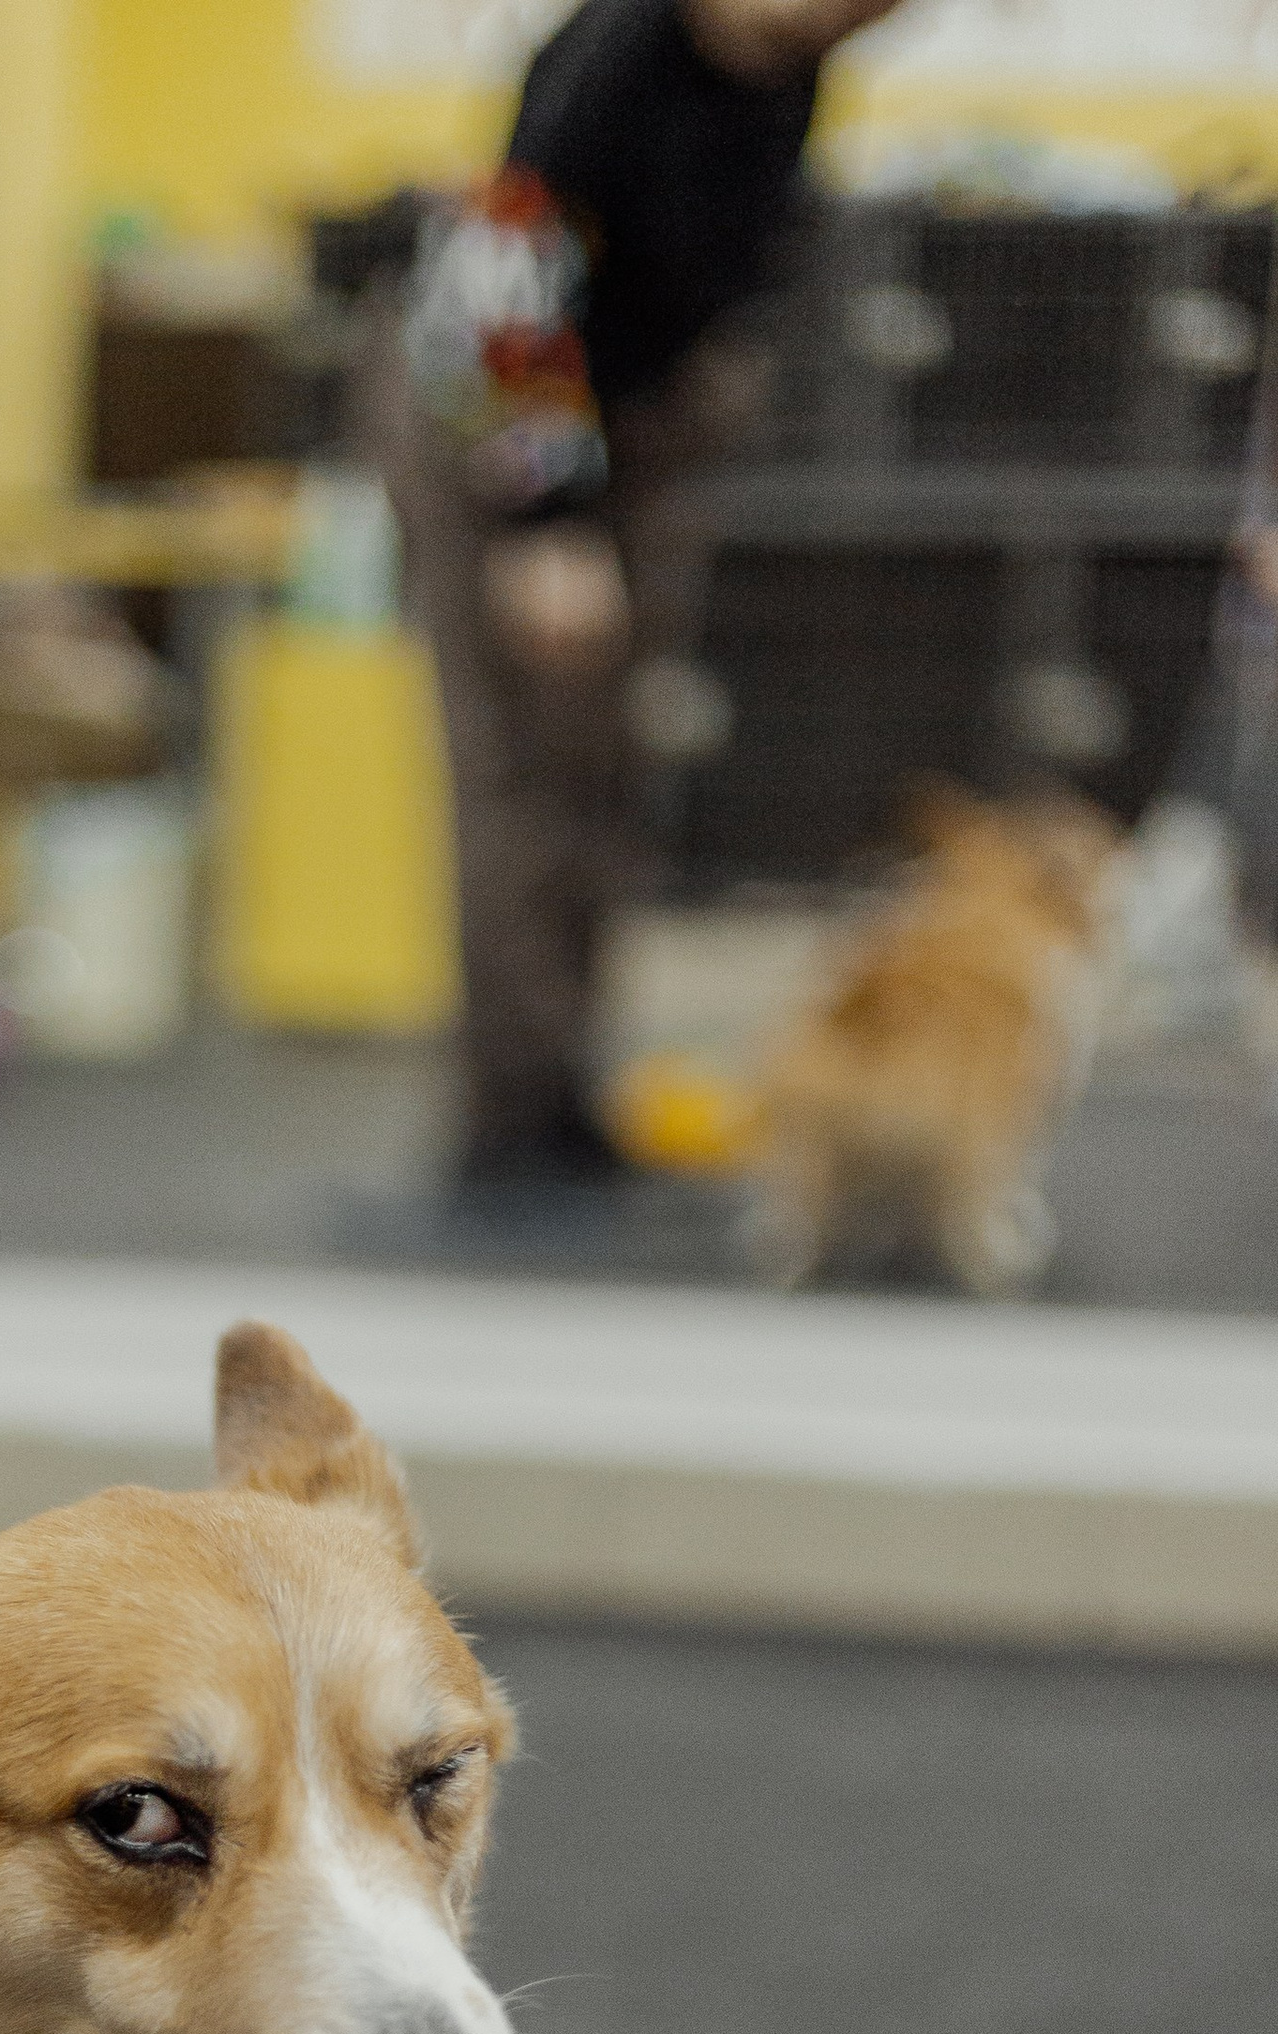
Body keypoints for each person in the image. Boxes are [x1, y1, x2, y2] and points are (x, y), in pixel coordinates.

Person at [375, 0, 909, 1196]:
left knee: (607, 771)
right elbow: (504, 269)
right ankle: (506, 1118)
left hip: (641, 433)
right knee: (523, 774)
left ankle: (566, 1092)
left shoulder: (787, 71)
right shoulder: (617, 52)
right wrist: (541, 524)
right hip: (507, 433)